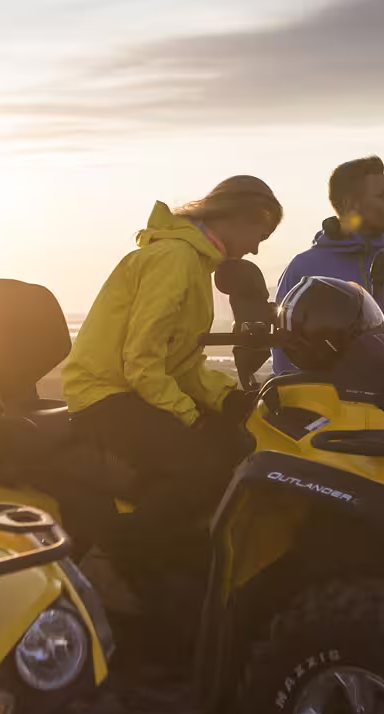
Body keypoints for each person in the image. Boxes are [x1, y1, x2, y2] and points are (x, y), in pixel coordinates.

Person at [63, 176, 282, 602]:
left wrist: (229, 399)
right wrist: (192, 417)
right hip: (104, 394)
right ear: (241, 217)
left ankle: (191, 559)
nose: (256, 248)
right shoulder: (175, 259)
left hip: (133, 388)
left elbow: (181, 365)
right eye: (261, 234)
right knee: (205, 463)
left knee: (239, 444)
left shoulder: (198, 264)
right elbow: (142, 362)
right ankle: (122, 551)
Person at [271, 156, 384, 386]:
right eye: (382, 195)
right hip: (342, 412)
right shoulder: (304, 268)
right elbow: (284, 345)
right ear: (350, 204)